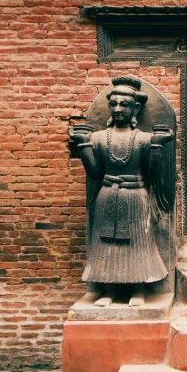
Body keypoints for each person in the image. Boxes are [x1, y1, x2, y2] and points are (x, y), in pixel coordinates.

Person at [68, 76, 174, 307]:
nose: (118, 108)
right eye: (113, 103)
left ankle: (138, 289)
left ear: (136, 108)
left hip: (136, 196)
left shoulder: (144, 139)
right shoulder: (97, 137)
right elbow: (95, 173)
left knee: (137, 244)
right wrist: (83, 145)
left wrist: (157, 146)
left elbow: (154, 176)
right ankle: (109, 290)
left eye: (124, 104)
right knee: (106, 245)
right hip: (108, 195)